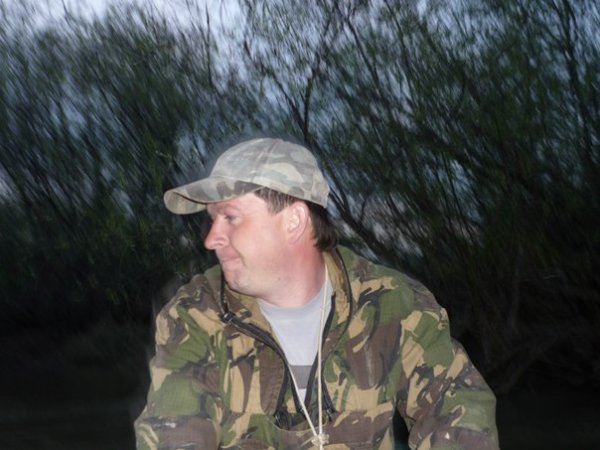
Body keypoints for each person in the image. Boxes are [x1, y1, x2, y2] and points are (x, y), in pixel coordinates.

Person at [135, 137, 499, 450]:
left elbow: (460, 403)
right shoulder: (195, 314)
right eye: (211, 220)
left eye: (230, 217)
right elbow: (172, 432)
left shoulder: (393, 303)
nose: (211, 238)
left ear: (293, 221)